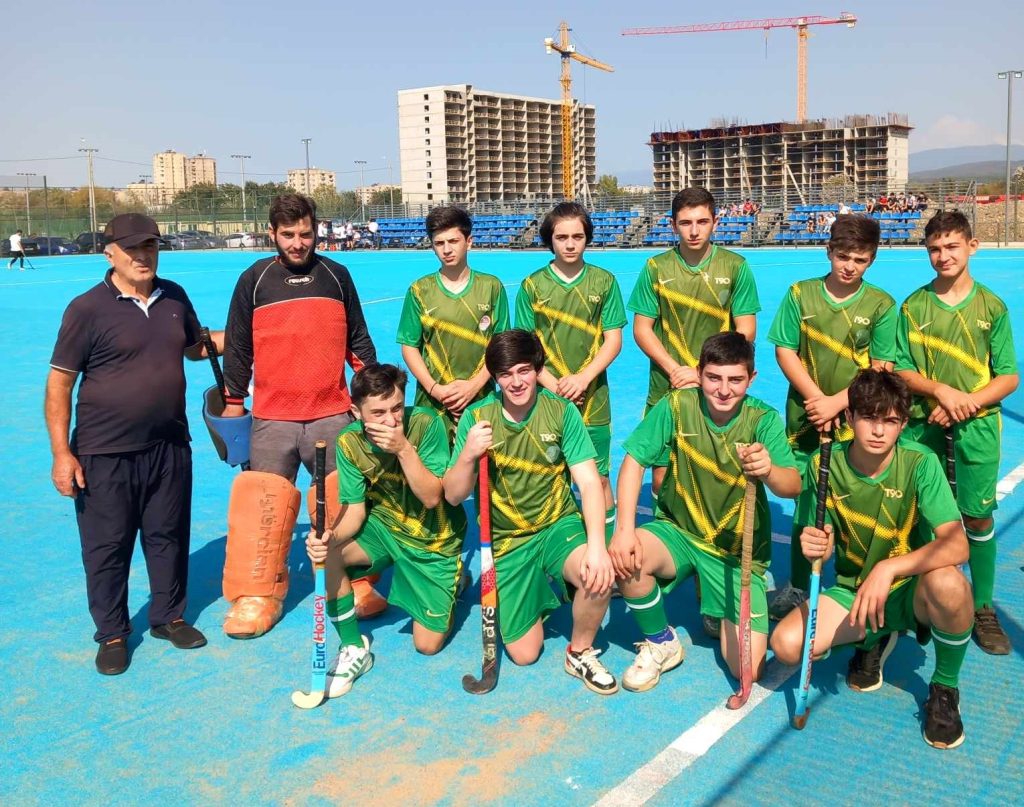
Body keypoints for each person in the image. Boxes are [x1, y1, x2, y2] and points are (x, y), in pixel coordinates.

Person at [45, 213, 215, 675]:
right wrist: (62, 453)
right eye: (133, 248)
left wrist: (248, 334)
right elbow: (60, 384)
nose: (143, 256)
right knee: (107, 547)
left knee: (168, 536)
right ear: (110, 254)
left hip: (169, 445)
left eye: (151, 247)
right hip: (104, 452)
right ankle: (113, 633)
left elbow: (195, 347)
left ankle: (168, 617)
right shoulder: (86, 309)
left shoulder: (174, 296)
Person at [771, 370, 975, 750]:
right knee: (785, 644)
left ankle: (945, 688)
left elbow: (958, 544)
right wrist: (817, 546)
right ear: (849, 417)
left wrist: (889, 568)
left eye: (891, 421)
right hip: (855, 592)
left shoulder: (920, 463)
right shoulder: (824, 463)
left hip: (911, 590)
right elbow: (823, 546)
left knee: (950, 584)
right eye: (868, 417)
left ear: (903, 423)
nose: (879, 431)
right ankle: (876, 637)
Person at [218, 193, 384, 639]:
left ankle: (355, 581)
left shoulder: (336, 275)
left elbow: (358, 340)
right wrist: (234, 402)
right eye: (288, 234)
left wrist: (370, 393)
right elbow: (238, 347)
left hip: (331, 412)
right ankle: (257, 595)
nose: (298, 243)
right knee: (263, 505)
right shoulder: (254, 280)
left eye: (305, 234)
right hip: (272, 417)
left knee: (343, 500)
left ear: (316, 230)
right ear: (272, 233)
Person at [609, 332, 800, 693]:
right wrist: (624, 530)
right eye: (713, 378)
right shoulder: (677, 405)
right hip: (679, 533)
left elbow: (791, 485)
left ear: (752, 379)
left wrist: (769, 470)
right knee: (626, 555)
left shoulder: (763, 419)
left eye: (735, 380)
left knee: (748, 669)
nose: (723, 390)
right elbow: (634, 460)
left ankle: (720, 607)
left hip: (734, 556)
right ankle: (662, 641)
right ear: (699, 373)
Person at [443, 329, 618, 694]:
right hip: (508, 540)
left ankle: (579, 651)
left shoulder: (561, 411)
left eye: (524, 370)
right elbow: (455, 495)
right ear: (494, 377)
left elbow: (589, 483)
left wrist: (598, 547)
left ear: (538, 369)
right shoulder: (478, 417)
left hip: (557, 525)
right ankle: (539, 589)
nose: (516, 382)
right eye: (506, 374)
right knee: (525, 654)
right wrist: (468, 454)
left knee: (599, 574)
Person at [627, 186, 761, 638]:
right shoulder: (656, 268)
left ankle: (709, 582)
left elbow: (745, 329)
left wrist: (708, 374)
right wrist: (675, 370)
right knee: (662, 483)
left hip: (716, 390)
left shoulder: (735, 267)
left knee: (714, 482)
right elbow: (642, 329)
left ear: (715, 222)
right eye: (685, 223)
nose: (694, 230)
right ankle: (672, 562)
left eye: (702, 221)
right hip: (668, 390)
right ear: (673, 225)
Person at [894, 210, 1019, 654]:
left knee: (977, 517)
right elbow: (902, 370)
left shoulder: (992, 307)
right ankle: (918, 599)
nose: (943, 256)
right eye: (934, 249)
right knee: (920, 515)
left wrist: (965, 403)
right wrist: (940, 392)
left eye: (951, 246)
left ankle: (982, 606)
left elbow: (1008, 377)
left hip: (977, 428)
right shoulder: (913, 306)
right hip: (923, 427)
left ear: (972, 246)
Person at [766, 214, 897, 630]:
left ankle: (854, 582)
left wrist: (838, 402)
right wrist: (816, 400)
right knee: (808, 500)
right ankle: (799, 587)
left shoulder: (881, 304)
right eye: (843, 257)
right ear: (829, 252)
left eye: (860, 260)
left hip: (856, 419)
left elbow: (881, 365)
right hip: (806, 417)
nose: (849, 266)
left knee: (854, 497)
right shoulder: (800, 294)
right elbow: (785, 350)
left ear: (872, 259)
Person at [304, 364, 467, 697]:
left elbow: (432, 497)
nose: (391, 421)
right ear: (356, 412)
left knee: (427, 645)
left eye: (396, 408)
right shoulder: (350, 442)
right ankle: (354, 648)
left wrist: (403, 449)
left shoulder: (426, 425)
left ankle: (454, 579)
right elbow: (354, 511)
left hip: (434, 539)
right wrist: (330, 537)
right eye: (378, 413)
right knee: (327, 555)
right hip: (385, 528)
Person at [515, 202, 626, 539]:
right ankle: (562, 548)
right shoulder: (532, 286)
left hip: (594, 398)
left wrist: (583, 379)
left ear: (587, 238)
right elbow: (526, 347)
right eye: (561, 237)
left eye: (577, 236)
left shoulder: (604, 282)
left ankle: (607, 548)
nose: (570, 244)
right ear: (549, 239)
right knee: (552, 477)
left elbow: (613, 340)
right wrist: (555, 385)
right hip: (546, 398)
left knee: (599, 477)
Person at [397, 206, 509, 436]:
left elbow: (501, 346)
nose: (447, 249)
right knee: (433, 459)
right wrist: (435, 389)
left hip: (481, 399)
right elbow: (409, 346)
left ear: (469, 242)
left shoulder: (492, 287)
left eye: (453, 241)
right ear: (432, 247)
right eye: (439, 243)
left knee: (483, 458)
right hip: (432, 402)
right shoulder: (419, 290)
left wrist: (474, 386)